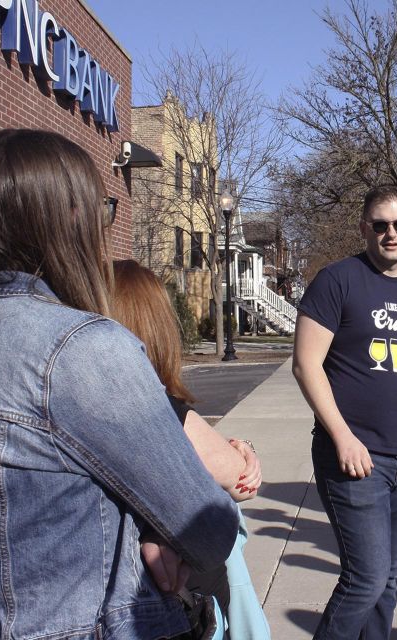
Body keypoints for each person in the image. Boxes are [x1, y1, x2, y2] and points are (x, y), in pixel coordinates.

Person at [0, 129, 239, 638]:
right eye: (103, 208)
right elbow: (208, 528)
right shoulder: (80, 349)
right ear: (69, 219)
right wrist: (151, 530)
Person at [292, 185, 397, 640]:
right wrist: (341, 436)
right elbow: (306, 364)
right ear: (364, 228)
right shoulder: (337, 281)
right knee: (364, 581)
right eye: (380, 225)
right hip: (357, 459)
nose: (390, 233)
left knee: (387, 582)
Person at [110, 259, 271, 639]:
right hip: (180, 605)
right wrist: (242, 450)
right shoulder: (159, 410)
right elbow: (241, 484)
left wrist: (239, 446)